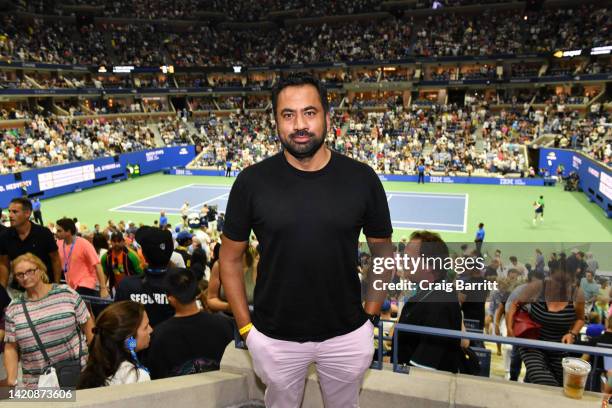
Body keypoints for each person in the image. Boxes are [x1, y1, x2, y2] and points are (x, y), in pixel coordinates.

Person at [220, 73, 392, 408]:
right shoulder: (251, 182)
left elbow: (383, 253)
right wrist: (246, 330)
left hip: (347, 333)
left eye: (309, 112)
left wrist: (369, 316)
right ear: (276, 122)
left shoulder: (362, 179)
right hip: (274, 336)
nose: (300, 124)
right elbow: (229, 258)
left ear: (328, 117)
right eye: (288, 115)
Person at [3, 253, 93, 388]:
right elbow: (11, 347)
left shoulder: (66, 293)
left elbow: (89, 326)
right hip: (38, 383)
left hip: (77, 373)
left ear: (40, 269)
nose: (25, 277)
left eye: (30, 271)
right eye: (20, 274)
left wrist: (96, 361)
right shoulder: (14, 308)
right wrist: (11, 378)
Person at [507, 258, 585, 386]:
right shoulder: (537, 287)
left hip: (559, 349)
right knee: (543, 380)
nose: (561, 285)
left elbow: (581, 319)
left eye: (566, 282)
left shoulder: (577, 294)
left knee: (560, 385)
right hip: (532, 344)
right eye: (557, 280)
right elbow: (515, 304)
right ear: (550, 275)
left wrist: (572, 333)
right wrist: (509, 327)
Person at [147, 268, 233, 379]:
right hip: (222, 392)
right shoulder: (225, 325)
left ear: (170, 298)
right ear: (197, 293)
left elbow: (156, 377)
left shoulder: (159, 336)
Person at [396, 231, 463, 372]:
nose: (402, 261)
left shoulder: (440, 303)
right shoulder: (426, 295)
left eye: (408, 258)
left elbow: (423, 367)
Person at [78, 301, 152, 388]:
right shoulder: (138, 378)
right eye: (146, 327)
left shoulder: (88, 371)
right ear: (129, 339)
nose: (151, 330)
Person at [115, 226, 175, 328]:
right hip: (173, 343)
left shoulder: (127, 286)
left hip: (139, 343)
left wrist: (133, 344)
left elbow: (123, 328)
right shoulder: (183, 283)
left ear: (143, 254)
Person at [0, 197, 62, 288]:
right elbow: (4, 264)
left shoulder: (44, 233)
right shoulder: (4, 236)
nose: (10, 215)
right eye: (9, 211)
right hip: (19, 288)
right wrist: (2, 291)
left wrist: (56, 284)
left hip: (46, 285)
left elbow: (55, 260)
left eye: (15, 212)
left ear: (27, 213)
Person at [55, 218, 110, 299]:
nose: (56, 233)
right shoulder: (59, 243)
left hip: (86, 284)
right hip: (71, 284)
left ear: (68, 232)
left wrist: (103, 288)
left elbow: (97, 265)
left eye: (59, 231)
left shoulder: (84, 244)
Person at [207, 244, 257, 313]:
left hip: (251, 318)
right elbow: (211, 299)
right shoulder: (219, 265)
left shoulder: (256, 267)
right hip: (225, 318)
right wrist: (229, 306)